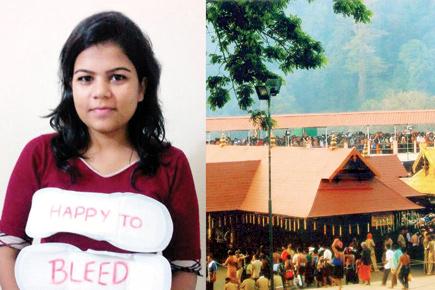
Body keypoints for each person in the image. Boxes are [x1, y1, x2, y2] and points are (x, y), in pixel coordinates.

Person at [0, 11, 200, 290]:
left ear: (142, 87)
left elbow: (184, 266)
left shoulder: (171, 164)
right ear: (70, 86)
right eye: (85, 78)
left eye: (117, 77)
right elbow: (7, 251)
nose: (100, 91)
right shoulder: (40, 154)